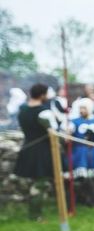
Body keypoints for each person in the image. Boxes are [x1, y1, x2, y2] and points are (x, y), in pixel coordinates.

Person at [13, 83, 57, 221]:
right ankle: (35, 215)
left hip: (27, 148)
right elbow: (54, 133)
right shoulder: (44, 112)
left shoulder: (23, 110)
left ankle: (34, 213)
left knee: (34, 183)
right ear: (42, 95)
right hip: (41, 151)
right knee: (40, 183)